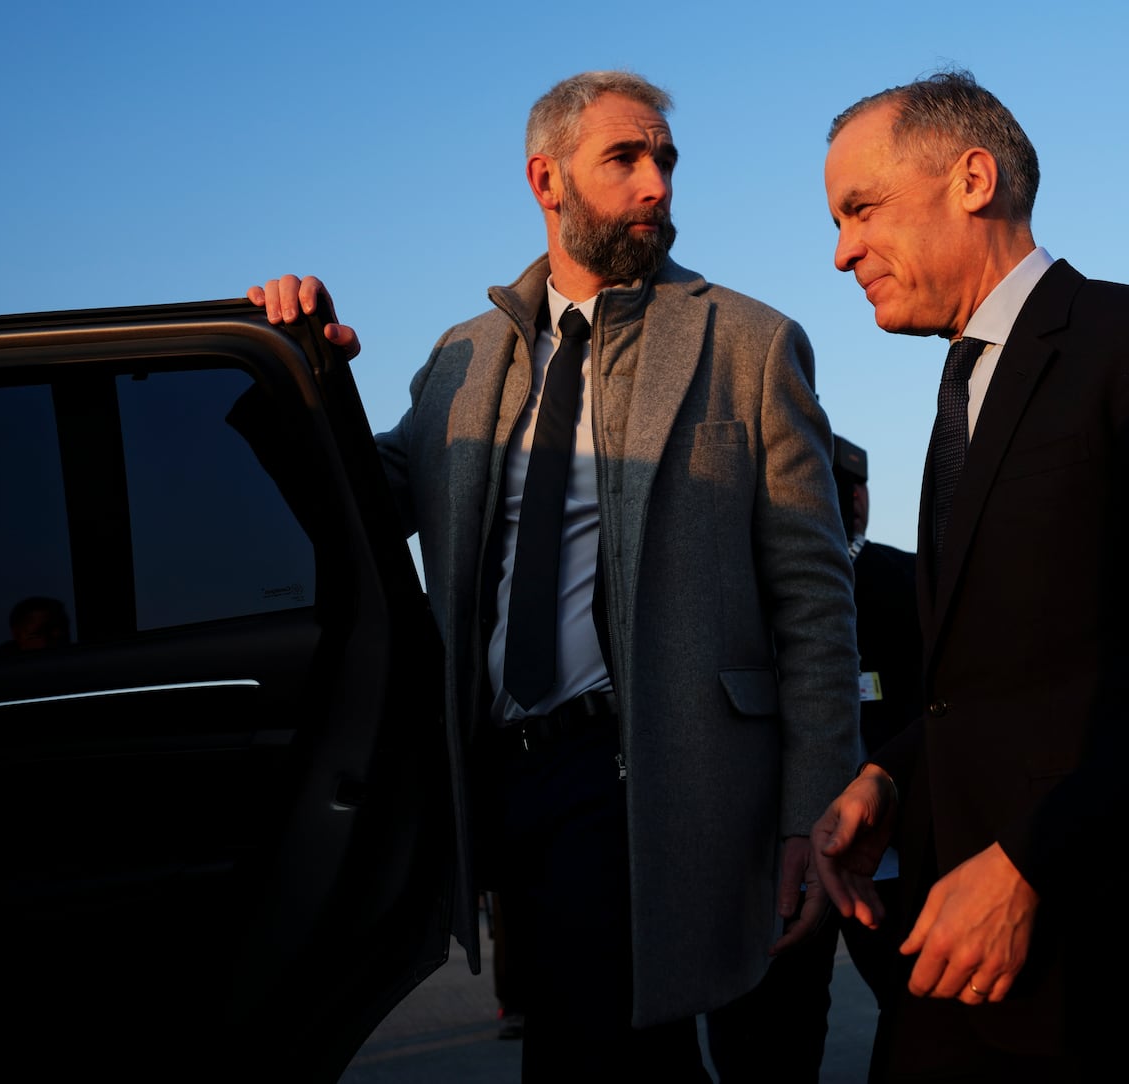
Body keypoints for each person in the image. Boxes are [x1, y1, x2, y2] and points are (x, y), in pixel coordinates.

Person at [251, 71, 859, 1081]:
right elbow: (369, 507)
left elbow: (813, 597)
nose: (656, 182)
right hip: (496, 778)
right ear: (547, 177)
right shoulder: (463, 356)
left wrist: (811, 809)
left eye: (663, 159)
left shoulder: (747, 342)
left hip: (648, 765)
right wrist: (306, 369)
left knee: (598, 1049)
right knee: (598, 1048)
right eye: (625, 158)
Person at [811, 71, 1129, 1081]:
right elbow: (1025, 673)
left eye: (859, 210)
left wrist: (1031, 864)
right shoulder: (963, 391)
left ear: (972, 178)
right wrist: (889, 771)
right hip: (967, 968)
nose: (840, 252)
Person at [706, 435, 921, 1083]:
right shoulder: (737, 594)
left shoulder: (905, 583)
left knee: (916, 1020)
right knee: (767, 1036)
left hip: (884, 856)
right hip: (778, 856)